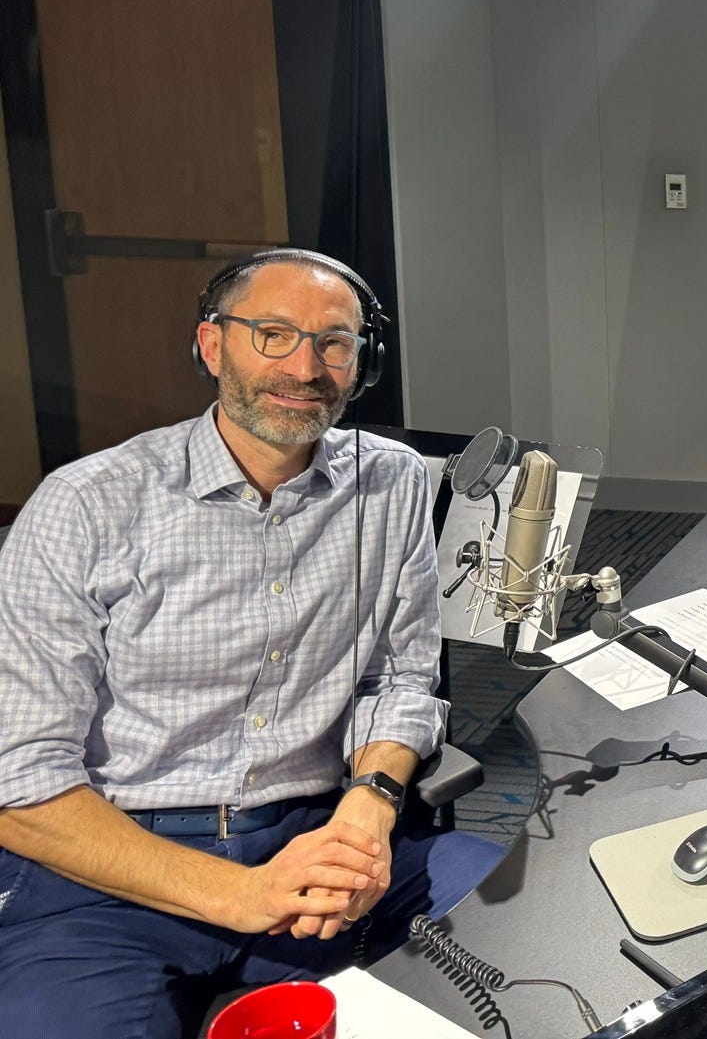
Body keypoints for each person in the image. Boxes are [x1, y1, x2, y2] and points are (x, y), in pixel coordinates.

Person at [0, 249, 506, 1037]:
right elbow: (22, 783)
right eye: (273, 334)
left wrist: (368, 808)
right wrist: (239, 892)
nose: (305, 367)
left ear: (362, 362)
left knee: (524, 942)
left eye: (334, 342)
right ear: (212, 346)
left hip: (315, 837)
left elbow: (399, 679)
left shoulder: (393, 482)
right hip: (114, 872)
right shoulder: (85, 505)